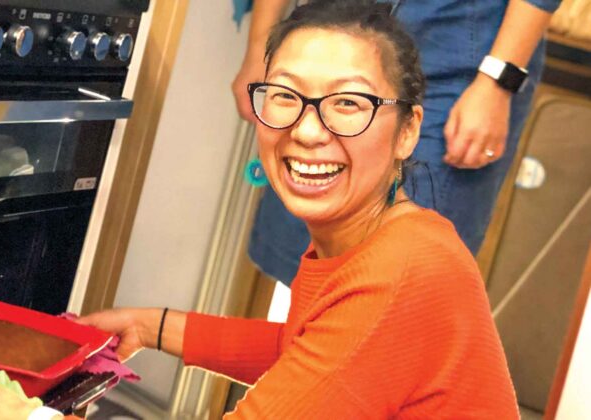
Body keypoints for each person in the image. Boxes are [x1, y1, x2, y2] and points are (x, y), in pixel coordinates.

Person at [0, 1, 519, 418]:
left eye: (347, 103)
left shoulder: (401, 275)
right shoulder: (386, 239)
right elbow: (308, 350)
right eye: (286, 96)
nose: (308, 131)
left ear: (409, 128)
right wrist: (151, 326)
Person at [240, 0, 561, 286]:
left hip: (459, 67)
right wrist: (260, 49)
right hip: (332, 41)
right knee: (298, 256)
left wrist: (497, 82)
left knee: (407, 278)